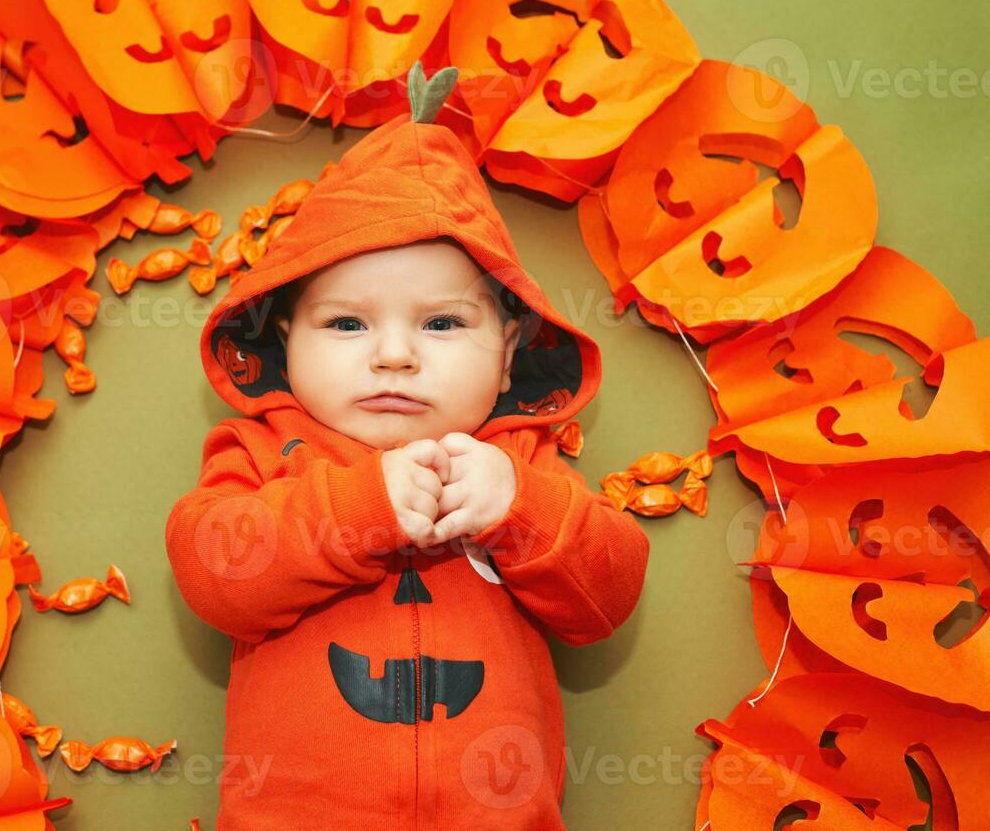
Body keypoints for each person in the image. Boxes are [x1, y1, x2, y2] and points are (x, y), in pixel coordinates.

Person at [165, 62, 651, 829]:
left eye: (443, 323)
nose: (394, 355)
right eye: (347, 323)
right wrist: (358, 509)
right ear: (285, 341)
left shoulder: (521, 459)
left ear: (508, 348)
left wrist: (518, 508)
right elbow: (214, 573)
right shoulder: (265, 451)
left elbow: (606, 599)